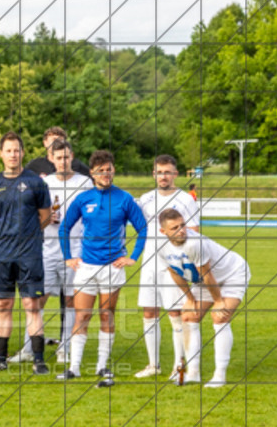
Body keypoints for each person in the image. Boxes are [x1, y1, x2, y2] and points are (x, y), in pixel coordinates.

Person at [58, 150, 147, 383]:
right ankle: (74, 367)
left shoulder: (125, 198)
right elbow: (64, 228)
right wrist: (68, 256)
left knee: (106, 316)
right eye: (101, 171)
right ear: (92, 173)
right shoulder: (83, 198)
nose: (106, 174)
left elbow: (143, 229)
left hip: (112, 267)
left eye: (109, 170)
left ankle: (101, 366)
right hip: (86, 267)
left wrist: (133, 257)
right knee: (81, 317)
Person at [14, 139, 92, 367]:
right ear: (51, 159)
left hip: (76, 252)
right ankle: (29, 348)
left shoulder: (85, 183)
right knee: (36, 300)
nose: (63, 161)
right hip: (46, 250)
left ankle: (63, 348)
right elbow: (29, 213)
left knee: (70, 301)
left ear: (72, 157)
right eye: (58, 158)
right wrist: (45, 219)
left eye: (66, 157)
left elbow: (91, 215)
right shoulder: (43, 183)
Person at [0, 132, 52, 374]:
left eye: (17, 150)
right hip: (1, 252)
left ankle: (39, 360)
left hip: (29, 253)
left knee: (31, 304)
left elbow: (46, 215)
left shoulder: (36, 183)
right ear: (1, 153)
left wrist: (28, 233)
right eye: (8, 150)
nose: (13, 154)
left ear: (23, 153)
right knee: (3, 304)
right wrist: (2, 229)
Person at [158, 209, 250, 388]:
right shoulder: (160, 248)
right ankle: (193, 373)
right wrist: (190, 299)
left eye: (182, 225)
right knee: (187, 316)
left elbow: (207, 274)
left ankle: (219, 376)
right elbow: (175, 274)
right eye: (175, 228)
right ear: (164, 232)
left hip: (233, 273)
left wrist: (218, 302)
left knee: (219, 316)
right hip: (206, 279)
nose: (182, 230)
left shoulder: (194, 243)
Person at [134, 155, 200, 379]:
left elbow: (194, 230)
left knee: (175, 312)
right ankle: (153, 364)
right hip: (150, 262)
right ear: (153, 174)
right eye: (159, 172)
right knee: (149, 311)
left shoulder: (185, 199)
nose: (163, 176)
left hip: (174, 263)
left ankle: (178, 365)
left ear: (175, 174)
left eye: (168, 172)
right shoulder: (145, 199)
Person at [26, 126, 92, 178]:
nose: (57, 143)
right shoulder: (34, 165)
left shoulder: (75, 164)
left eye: (60, 140)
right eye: (54, 140)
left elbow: (94, 178)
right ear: (45, 143)